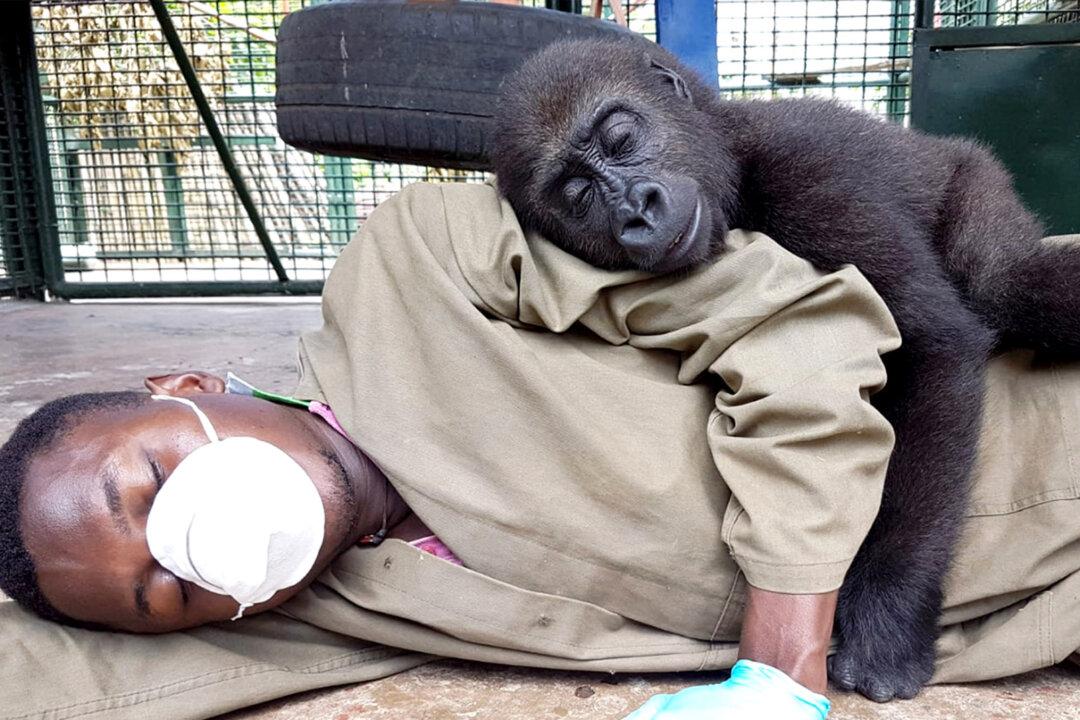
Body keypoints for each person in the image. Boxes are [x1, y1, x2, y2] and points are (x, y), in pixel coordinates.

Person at [2, 182, 1080, 720]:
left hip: (1033, 409)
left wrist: (781, 662)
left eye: (149, 483)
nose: (197, 546)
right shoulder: (310, 610)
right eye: (163, 593)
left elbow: (799, 321)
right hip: (1041, 605)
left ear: (187, 389)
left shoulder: (416, 266)